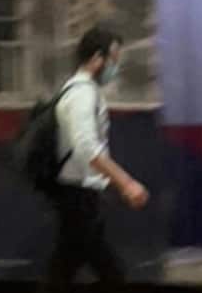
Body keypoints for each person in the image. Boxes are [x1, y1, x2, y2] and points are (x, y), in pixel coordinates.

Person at [44, 26, 150, 291]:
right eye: (113, 59)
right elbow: (87, 147)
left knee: (65, 269)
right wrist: (126, 183)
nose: (116, 66)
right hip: (78, 196)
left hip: (78, 196)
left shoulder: (80, 90)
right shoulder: (82, 94)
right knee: (110, 273)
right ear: (95, 59)